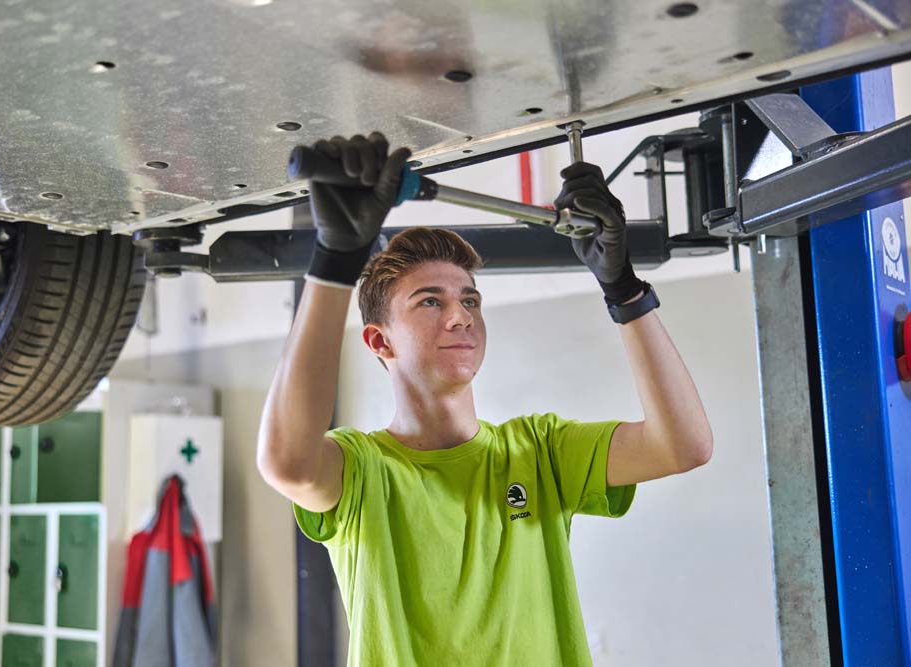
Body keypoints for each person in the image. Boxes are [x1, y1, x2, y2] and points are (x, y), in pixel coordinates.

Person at [257, 132, 713, 666]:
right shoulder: (363, 470)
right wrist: (334, 262)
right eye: (430, 301)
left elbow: (684, 446)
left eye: (469, 299)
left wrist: (625, 290)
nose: (460, 316)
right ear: (380, 341)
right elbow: (287, 462)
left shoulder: (538, 450)